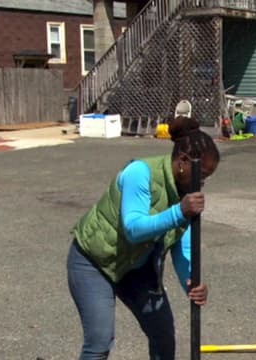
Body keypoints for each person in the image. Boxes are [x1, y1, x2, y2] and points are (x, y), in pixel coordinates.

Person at [67, 116, 220, 359]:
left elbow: (182, 246)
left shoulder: (186, 193)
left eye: (207, 177)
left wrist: (191, 281)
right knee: (100, 341)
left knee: (163, 337)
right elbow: (133, 228)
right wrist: (179, 211)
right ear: (182, 161)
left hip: (137, 269)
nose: (202, 182)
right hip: (93, 263)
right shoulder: (140, 173)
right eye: (201, 174)